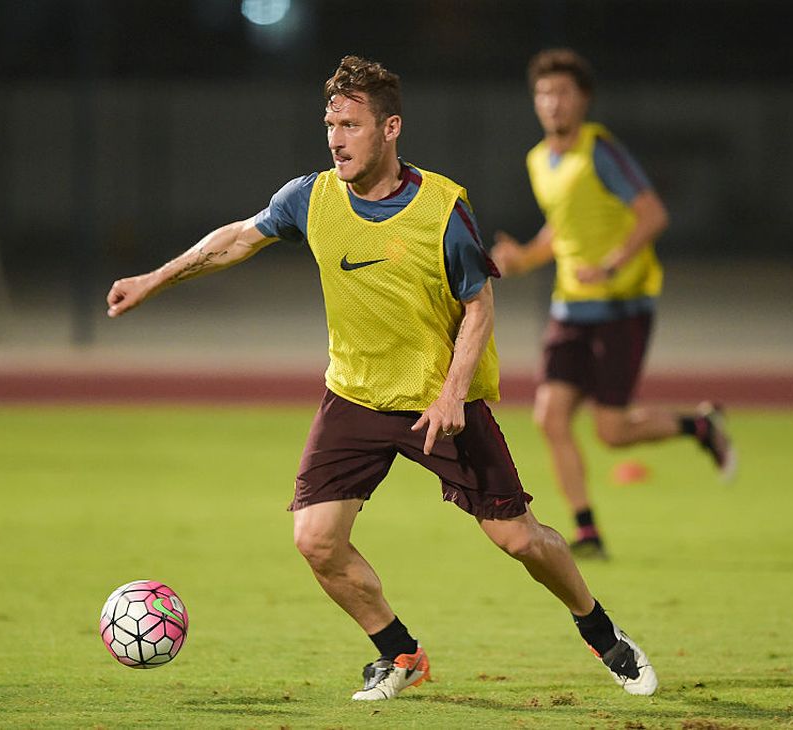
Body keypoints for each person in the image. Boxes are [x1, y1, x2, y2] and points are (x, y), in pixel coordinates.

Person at [106, 56, 657, 699]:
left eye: (352, 125)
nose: (337, 138)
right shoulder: (309, 197)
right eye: (330, 124)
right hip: (356, 395)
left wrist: (454, 391)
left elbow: (478, 305)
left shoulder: (441, 208)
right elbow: (235, 239)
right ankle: (399, 654)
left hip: (437, 400)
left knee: (520, 539)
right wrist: (155, 278)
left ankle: (603, 634)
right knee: (315, 539)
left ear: (390, 128)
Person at [491, 49, 736, 559]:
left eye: (562, 93)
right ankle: (587, 532)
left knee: (612, 430)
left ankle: (699, 426)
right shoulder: (539, 160)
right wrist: (522, 259)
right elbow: (562, 230)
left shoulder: (601, 151)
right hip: (570, 308)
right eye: (543, 93)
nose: (552, 103)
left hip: (622, 305)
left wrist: (611, 264)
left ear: (583, 100)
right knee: (549, 417)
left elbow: (652, 214)